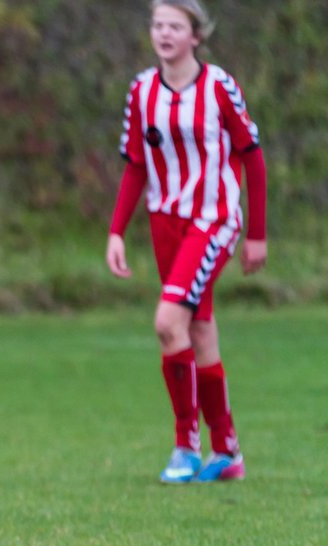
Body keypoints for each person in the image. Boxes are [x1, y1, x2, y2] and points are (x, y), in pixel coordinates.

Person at [106, 0, 266, 484]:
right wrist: (116, 230)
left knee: (167, 322)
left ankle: (185, 446)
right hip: (165, 223)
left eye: (175, 26)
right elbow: (136, 164)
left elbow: (252, 158)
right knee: (198, 331)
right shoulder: (141, 90)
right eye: (158, 25)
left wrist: (255, 234)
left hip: (213, 220)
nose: (165, 33)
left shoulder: (219, 86)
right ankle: (228, 452)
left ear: (195, 35)